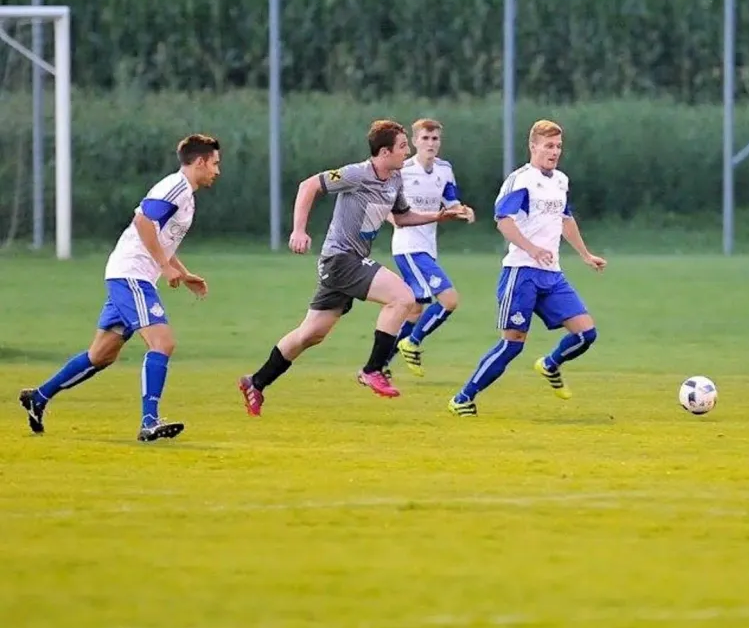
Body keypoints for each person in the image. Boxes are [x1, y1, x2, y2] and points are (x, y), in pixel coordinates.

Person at [237, 120, 461, 415]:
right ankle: (373, 370)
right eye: (403, 146)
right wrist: (298, 230)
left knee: (311, 334)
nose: (407, 152)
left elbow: (403, 217)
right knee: (403, 298)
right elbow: (308, 186)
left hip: (347, 265)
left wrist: (440, 216)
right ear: (384, 152)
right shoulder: (356, 174)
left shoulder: (394, 180)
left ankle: (256, 381)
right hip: (340, 259)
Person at [19, 135, 222, 441]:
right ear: (200, 161)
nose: (217, 171)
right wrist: (165, 268)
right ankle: (149, 422)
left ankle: (39, 396)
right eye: (215, 164)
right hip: (131, 275)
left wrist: (183, 271)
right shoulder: (175, 187)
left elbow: (162, 237)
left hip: (128, 274)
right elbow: (142, 222)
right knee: (163, 342)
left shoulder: (186, 196)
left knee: (101, 355)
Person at [447, 119, 606, 417]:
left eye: (558, 146)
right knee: (512, 345)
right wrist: (531, 248)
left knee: (587, 333)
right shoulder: (521, 180)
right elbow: (502, 220)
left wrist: (585, 254)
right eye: (548, 145)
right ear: (533, 146)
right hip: (521, 273)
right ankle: (463, 397)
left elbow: (565, 218)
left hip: (552, 275)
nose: (555, 151)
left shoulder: (561, 180)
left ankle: (550, 364)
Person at [386, 118, 474, 378]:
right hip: (408, 247)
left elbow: (451, 201)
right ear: (414, 142)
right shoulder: (401, 171)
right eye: (425, 138)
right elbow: (383, 206)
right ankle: (412, 343)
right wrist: (397, 221)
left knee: (414, 308)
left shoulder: (444, 169)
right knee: (449, 300)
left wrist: (463, 211)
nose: (430, 143)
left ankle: (378, 365)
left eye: (434, 138)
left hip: (427, 247)